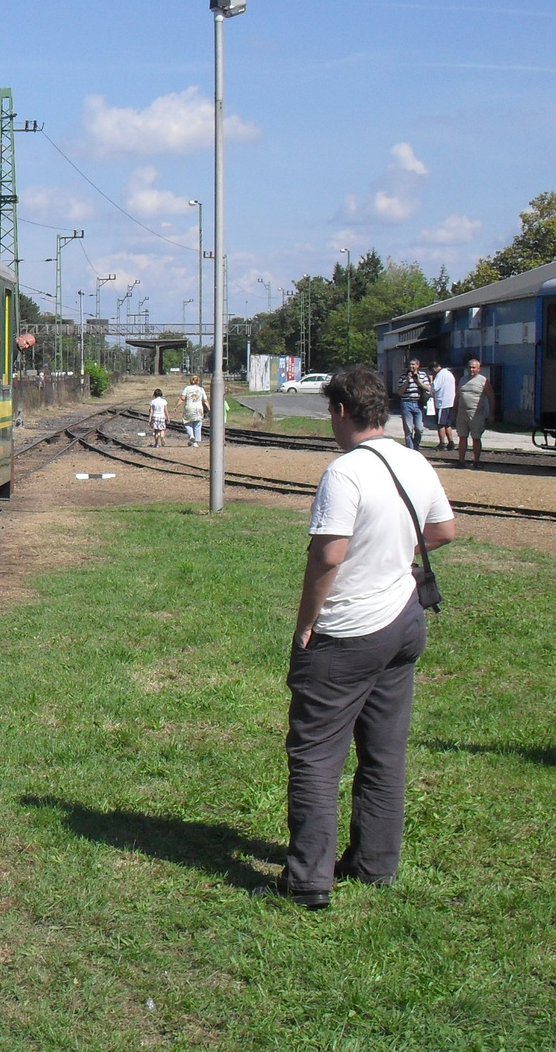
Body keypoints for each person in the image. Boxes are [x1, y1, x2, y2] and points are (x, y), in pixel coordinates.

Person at [266, 366, 453, 910]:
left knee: (316, 756)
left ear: (342, 411)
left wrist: (306, 622)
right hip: (403, 621)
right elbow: (443, 530)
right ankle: (374, 864)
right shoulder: (414, 460)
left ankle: (307, 879)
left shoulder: (344, 473)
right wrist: (394, 556)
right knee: (384, 752)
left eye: (329, 412)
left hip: (348, 631)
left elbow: (328, 555)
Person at [454, 358, 493, 468]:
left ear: (479, 369)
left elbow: (491, 398)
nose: (471, 369)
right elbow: (457, 396)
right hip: (462, 413)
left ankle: (476, 461)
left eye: (474, 367)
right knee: (462, 437)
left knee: (476, 438)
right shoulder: (462, 379)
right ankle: (461, 461)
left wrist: (491, 414)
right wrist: (454, 411)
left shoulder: (483, 381)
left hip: (476, 414)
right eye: (470, 367)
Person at [398, 358, 431, 451]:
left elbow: (428, 388)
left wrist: (419, 381)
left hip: (418, 404)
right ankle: (411, 449)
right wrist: (407, 381)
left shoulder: (423, 375)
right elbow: (400, 392)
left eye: (413, 364)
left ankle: (416, 446)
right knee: (408, 429)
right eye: (410, 364)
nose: (411, 366)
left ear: (417, 365)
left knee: (419, 428)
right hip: (406, 403)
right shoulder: (403, 376)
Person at [428, 361, 456, 451]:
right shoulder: (449, 373)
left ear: (434, 369)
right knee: (447, 424)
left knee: (440, 424)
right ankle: (451, 442)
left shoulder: (440, 375)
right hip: (450, 402)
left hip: (442, 403)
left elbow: (434, 388)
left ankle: (442, 443)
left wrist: (431, 381)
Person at [180, 375, 208, 447]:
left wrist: (176, 406)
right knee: (197, 425)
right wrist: (210, 409)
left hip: (189, 408)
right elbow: (205, 400)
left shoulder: (187, 388)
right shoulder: (201, 389)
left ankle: (191, 435)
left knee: (187, 422)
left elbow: (182, 398)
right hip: (199, 409)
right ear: (198, 381)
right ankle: (195, 442)